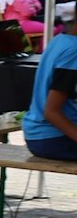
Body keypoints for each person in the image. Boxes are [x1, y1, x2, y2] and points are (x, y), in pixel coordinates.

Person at [22, 20, 77, 160]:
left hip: (40, 135)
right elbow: (51, 112)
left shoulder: (60, 40)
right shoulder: (73, 52)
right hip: (53, 138)